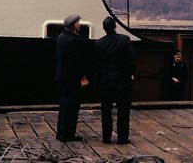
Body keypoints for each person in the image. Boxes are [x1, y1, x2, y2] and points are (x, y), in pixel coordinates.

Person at [94, 16, 136, 144]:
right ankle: (122, 138)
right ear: (115, 26)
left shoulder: (98, 43)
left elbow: (96, 64)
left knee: (106, 111)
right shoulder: (124, 40)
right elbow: (131, 59)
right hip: (122, 81)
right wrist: (131, 73)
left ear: (104, 28)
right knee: (123, 110)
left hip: (105, 82)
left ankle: (106, 137)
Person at [55, 14, 90, 142]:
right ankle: (68, 134)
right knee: (72, 106)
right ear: (75, 25)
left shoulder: (61, 37)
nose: (79, 24)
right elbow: (76, 62)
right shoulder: (75, 40)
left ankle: (61, 132)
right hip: (71, 78)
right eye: (78, 23)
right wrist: (82, 77)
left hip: (61, 76)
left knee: (64, 104)